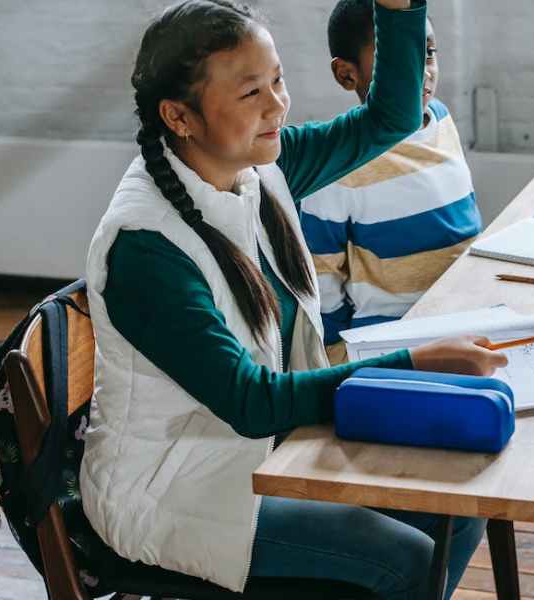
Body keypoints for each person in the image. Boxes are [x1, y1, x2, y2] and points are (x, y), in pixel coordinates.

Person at [80, 1, 506, 599]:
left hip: (268, 450)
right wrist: (412, 366)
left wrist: (399, 11)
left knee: (463, 503)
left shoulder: (260, 167)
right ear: (179, 116)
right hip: (177, 490)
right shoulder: (145, 249)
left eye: (277, 80)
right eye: (251, 92)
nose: (278, 104)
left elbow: (391, 117)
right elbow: (251, 402)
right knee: (403, 558)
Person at [301, 0, 482, 364]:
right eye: (394, 61)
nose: (421, 71)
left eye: (428, 54)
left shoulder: (441, 118)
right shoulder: (339, 164)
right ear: (347, 75)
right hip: (398, 343)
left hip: (468, 314)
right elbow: (320, 281)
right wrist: (342, 358)